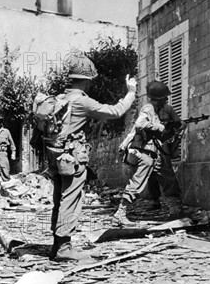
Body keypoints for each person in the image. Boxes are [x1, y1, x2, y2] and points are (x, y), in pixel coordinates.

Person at [46, 53, 137, 261]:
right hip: (72, 159)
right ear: (87, 81)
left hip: (55, 157)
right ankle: (63, 248)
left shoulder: (59, 99)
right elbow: (115, 112)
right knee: (71, 199)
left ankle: (57, 244)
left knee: (59, 199)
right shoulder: (81, 101)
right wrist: (130, 92)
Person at [113, 81, 184, 227]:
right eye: (163, 97)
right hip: (147, 151)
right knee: (138, 181)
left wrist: (177, 126)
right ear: (157, 98)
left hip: (161, 152)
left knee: (169, 180)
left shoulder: (168, 109)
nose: (166, 100)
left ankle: (175, 211)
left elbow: (179, 123)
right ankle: (120, 214)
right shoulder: (148, 108)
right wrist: (158, 126)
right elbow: (140, 124)